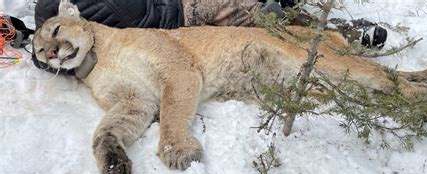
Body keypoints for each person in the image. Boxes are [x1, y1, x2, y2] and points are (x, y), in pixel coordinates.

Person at [32, 0, 387, 73]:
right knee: (259, 12)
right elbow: (53, 54)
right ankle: (340, 34)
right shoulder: (52, 13)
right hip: (178, 22)